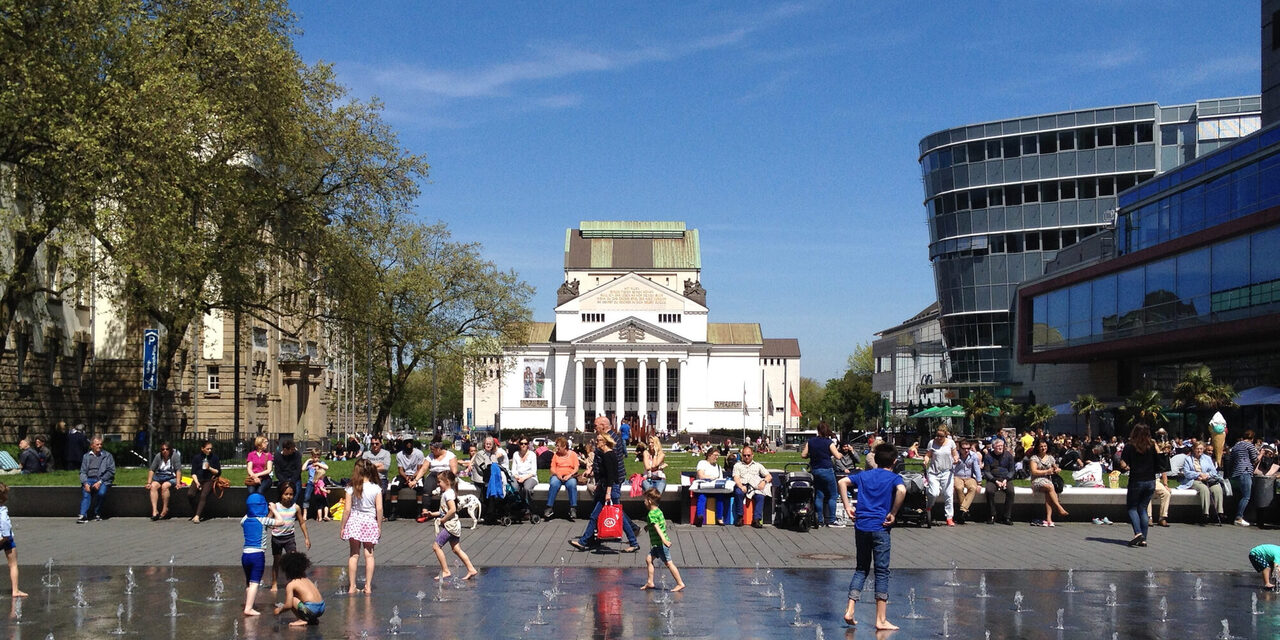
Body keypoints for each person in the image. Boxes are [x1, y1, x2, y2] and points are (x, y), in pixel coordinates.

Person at [839, 443, 905, 630]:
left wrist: (847, 506)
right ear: (894, 461)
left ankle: (850, 609)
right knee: (882, 571)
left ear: (875, 460)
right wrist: (893, 512)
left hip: (861, 526)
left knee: (861, 568)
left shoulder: (864, 475)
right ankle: (881, 620)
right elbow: (902, 491)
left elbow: (842, 482)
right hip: (880, 528)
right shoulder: (894, 478)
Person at [568, 418, 640, 552]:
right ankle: (590, 540)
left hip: (610, 485)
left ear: (603, 427)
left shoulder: (610, 449)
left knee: (609, 512)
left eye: (595, 426)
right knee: (609, 512)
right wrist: (592, 472)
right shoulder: (608, 443)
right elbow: (601, 463)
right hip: (607, 483)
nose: (594, 429)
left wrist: (606, 488)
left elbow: (610, 471)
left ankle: (587, 541)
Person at [424, 470, 478, 580]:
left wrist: (443, 520)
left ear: (447, 481)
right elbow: (445, 510)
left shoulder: (447, 494)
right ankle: (471, 569)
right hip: (454, 525)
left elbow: (452, 510)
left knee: (436, 546)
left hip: (450, 526)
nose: (438, 484)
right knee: (456, 549)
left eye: (439, 482)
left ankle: (445, 571)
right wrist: (431, 514)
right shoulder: (450, 492)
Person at [340, 459, 382, 594]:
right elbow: (379, 509)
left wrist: (342, 526)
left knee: (354, 554)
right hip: (369, 522)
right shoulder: (376, 488)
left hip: (354, 522)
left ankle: (352, 586)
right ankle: (368, 586)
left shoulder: (350, 488)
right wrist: (379, 526)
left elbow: (346, 510)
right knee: (369, 555)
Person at [1118, 425, 1159, 547]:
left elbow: (1123, 463)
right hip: (1151, 480)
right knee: (1143, 509)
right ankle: (1144, 539)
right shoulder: (1151, 446)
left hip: (1136, 480)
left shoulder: (1130, 446)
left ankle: (1138, 533)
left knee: (1132, 508)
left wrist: (1126, 467)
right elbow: (1159, 460)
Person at [239, 493, 280, 616]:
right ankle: (248, 608)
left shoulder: (245, 520)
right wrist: (274, 510)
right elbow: (281, 522)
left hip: (245, 555)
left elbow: (246, 516)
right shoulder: (262, 520)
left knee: (249, 582)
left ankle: (249, 604)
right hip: (257, 555)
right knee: (255, 582)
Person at [268, 481, 311, 592]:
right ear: (281, 494)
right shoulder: (276, 507)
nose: (288, 497)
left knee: (293, 560)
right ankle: (274, 583)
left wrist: (306, 537)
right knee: (276, 561)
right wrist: (271, 524)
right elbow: (268, 520)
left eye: (291, 494)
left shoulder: (295, 508)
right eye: (286, 494)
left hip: (289, 538)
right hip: (277, 538)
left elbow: (302, 522)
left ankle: (293, 581)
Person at [639, 487, 684, 592]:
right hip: (657, 544)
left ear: (649, 501)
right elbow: (662, 523)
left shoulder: (651, 514)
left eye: (645, 500)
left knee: (669, 563)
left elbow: (657, 527)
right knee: (649, 559)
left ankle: (680, 583)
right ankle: (650, 582)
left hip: (660, 543)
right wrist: (647, 527)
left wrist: (664, 539)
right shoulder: (658, 511)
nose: (644, 502)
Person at [802, 422, 844, 527]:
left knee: (819, 495)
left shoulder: (810, 441)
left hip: (815, 470)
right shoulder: (828, 442)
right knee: (832, 495)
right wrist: (840, 453)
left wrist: (810, 455)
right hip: (827, 469)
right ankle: (831, 520)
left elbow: (803, 455)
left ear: (817, 430)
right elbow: (837, 456)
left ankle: (819, 520)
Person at [1180, 441, 1226, 526]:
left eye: (1201, 449)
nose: (1199, 450)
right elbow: (1186, 473)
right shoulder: (1188, 459)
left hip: (1208, 479)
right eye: (1197, 449)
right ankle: (1205, 514)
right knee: (1204, 489)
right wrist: (1199, 474)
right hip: (1194, 480)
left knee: (1217, 488)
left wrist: (1207, 475)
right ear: (1193, 449)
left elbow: (1213, 471)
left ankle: (1220, 512)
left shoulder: (1207, 458)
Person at [273, 552, 324, 626]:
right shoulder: (307, 579)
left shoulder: (291, 584)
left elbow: (288, 605)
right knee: (300, 598)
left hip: (312, 610)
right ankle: (313, 619)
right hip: (321, 608)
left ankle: (301, 619)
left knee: (293, 599)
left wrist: (279, 610)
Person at [923, 426, 959, 526]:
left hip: (947, 472)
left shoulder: (950, 443)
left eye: (941, 436)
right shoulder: (932, 443)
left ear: (946, 435)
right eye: (937, 435)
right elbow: (928, 455)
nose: (939, 438)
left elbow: (955, 454)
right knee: (934, 493)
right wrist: (926, 460)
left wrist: (956, 459)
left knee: (948, 494)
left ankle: (949, 517)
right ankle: (928, 508)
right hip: (934, 472)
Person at [412, 441, 458, 520]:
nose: (431, 451)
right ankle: (425, 512)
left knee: (447, 489)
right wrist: (415, 480)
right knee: (427, 487)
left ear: (439, 449)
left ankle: (448, 511)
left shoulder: (450, 455)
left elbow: (454, 470)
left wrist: (448, 479)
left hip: (446, 474)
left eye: (433, 450)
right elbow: (423, 469)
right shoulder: (430, 456)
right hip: (434, 474)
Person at [732, 446, 773, 528]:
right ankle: (740, 517)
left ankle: (756, 519)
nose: (746, 457)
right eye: (744, 455)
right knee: (738, 493)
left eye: (748, 455)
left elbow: (769, 476)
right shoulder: (737, 465)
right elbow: (736, 477)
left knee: (760, 496)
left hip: (755, 486)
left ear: (752, 455)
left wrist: (764, 482)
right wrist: (740, 486)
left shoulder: (758, 465)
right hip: (743, 484)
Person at [1029, 439, 1068, 526]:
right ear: (1038, 448)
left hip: (1048, 480)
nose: (1043, 448)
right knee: (1050, 487)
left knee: (1048, 491)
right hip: (1037, 480)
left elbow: (1055, 467)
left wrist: (1057, 470)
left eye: (1045, 446)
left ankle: (1049, 519)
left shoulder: (1050, 457)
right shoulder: (1034, 458)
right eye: (1041, 446)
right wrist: (1047, 472)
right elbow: (1034, 471)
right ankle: (1059, 507)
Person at [77, 436, 115, 523]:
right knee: (86, 494)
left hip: (102, 480)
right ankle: (83, 515)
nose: (99, 446)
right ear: (92, 446)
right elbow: (82, 472)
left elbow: (111, 471)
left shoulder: (107, 456)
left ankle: (96, 512)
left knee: (101, 493)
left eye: (101, 444)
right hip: (89, 479)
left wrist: (100, 482)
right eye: (97, 444)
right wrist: (85, 483)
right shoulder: (86, 456)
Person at [1227, 431, 1260, 526]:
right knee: (1246, 496)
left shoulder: (1236, 446)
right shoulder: (1249, 445)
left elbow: (1231, 460)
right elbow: (1255, 459)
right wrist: (1261, 454)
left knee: (1239, 495)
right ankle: (1239, 517)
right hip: (1245, 471)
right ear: (1252, 438)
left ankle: (1233, 515)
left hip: (1235, 473)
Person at [386, 439, 424, 521]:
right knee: (394, 486)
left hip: (416, 475)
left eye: (410, 442)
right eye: (406, 442)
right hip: (404, 475)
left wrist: (413, 478)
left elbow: (419, 469)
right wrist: (406, 478)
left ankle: (419, 512)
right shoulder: (399, 455)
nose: (408, 444)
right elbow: (400, 470)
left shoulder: (419, 453)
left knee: (420, 486)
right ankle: (393, 512)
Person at [0, 483, 27, 598]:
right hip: (6, 539)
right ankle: (15, 590)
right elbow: (5, 526)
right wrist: (4, 538)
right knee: (13, 564)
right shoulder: (2, 510)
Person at [545, 437, 580, 521]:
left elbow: (576, 467)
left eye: (558, 446)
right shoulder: (555, 455)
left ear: (564, 446)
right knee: (553, 483)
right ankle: (549, 507)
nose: (557, 448)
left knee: (572, 484)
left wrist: (570, 475)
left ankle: (573, 508)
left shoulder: (573, 454)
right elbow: (552, 468)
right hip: (558, 475)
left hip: (569, 475)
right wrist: (557, 474)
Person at [146, 441, 182, 521]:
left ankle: (165, 509)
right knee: (153, 486)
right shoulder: (158, 456)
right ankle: (154, 511)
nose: (165, 451)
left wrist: (178, 483)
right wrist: (149, 482)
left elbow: (178, 470)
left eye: (167, 449)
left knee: (165, 486)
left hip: (171, 476)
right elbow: (152, 469)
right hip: (160, 476)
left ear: (170, 450)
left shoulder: (175, 456)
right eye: (163, 449)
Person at [188, 441, 221, 524]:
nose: (209, 450)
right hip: (198, 479)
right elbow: (193, 472)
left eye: (211, 449)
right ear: (202, 449)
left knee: (203, 495)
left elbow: (218, 472)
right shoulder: (197, 458)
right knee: (190, 494)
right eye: (207, 449)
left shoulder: (214, 458)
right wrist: (196, 482)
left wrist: (209, 468)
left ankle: (197, 516)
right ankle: (196, 511)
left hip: (209, 479)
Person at [951, 439, 983, 524]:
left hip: (969, 477)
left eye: (968, 448)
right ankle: (965, 510)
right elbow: (951, 469)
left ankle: (962, 511)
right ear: (960, 448)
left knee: (973, 487)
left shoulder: (974, 456)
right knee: (959, 487)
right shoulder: (956, 455)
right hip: (957, 476)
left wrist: (979, 482)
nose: (966, 450)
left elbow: (977, 469)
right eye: (964, 448)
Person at [690, 448, 723, 527]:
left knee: (720, 497)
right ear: (709, 455)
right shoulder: (702, 463)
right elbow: (701, 475)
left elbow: (720, 480)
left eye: (718, 456)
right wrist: (710, 477)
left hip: (714, 489)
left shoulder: (718, 467)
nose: (717, 457)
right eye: (715, 455)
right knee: (702, 497)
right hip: (703, 488)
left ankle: (719, 518)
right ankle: (700, 517)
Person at [301, 448, 329, 522]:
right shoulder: (310, 464)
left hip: (319, 484)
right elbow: (303, 469)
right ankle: (305, 513)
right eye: (314, 457)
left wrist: (318, 464)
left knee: (319, 498)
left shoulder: (321, 463)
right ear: (312, 456)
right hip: (311, 482)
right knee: (306, 497)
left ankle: (319, 515)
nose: (316, 459)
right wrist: (307, 461)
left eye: (318, 457)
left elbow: (327, 467)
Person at [510, 438, 538, 506]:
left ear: (528, 445)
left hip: (530, 477)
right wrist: (517, 477)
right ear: (519, 444)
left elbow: (533, 471)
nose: (523, 445)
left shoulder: (532, 455)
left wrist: (524, 478)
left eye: (525, 443)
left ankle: (528, 508)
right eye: (521, 443)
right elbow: (513, 469)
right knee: (513, 488)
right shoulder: (516, 454)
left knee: (527, 489)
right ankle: (515, 507)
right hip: (518, 476)